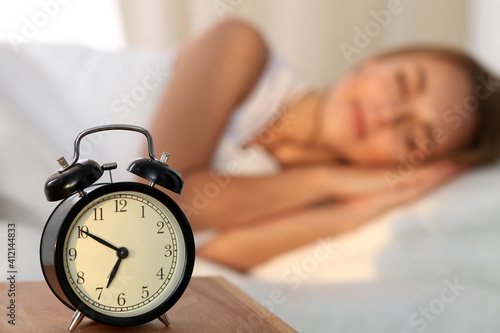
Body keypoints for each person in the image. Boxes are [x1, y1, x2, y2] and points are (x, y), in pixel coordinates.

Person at [149, 19, 500, 271]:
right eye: (403, 82)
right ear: (374, 61)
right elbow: (158, 198)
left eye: (413, 138)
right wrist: (328, 179)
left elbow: (198, 262)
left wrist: (358, 209)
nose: (389, 114)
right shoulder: (240, 45)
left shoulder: (309, 202)